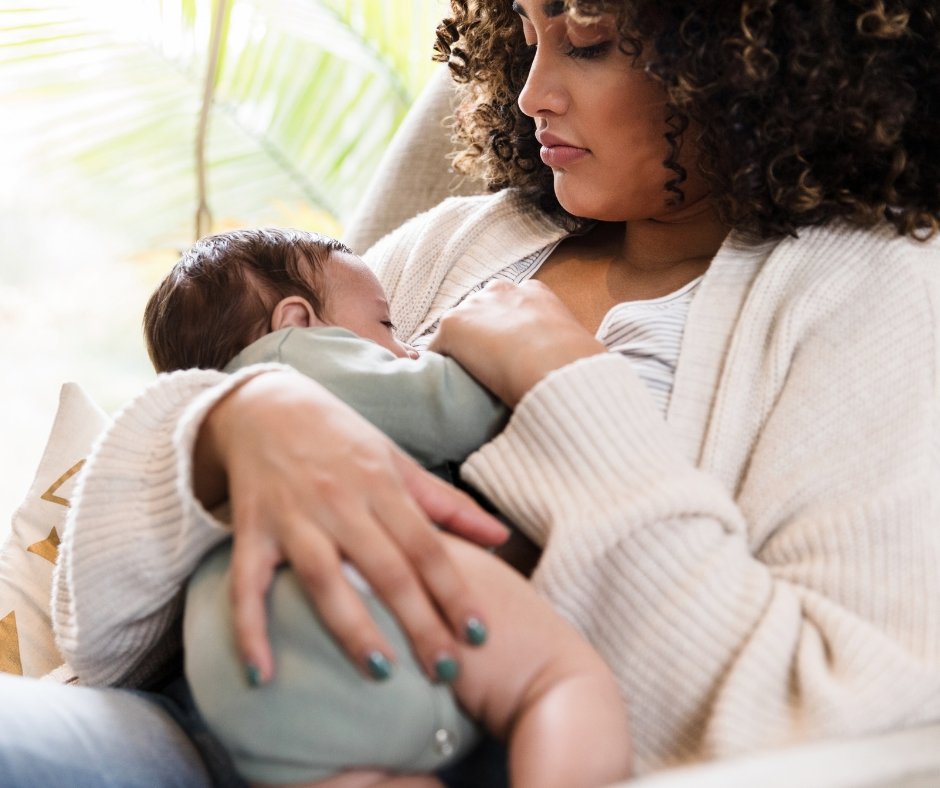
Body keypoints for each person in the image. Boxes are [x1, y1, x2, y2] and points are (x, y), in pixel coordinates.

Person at [0, 0, 935, 785]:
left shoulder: (877, 298)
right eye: (526, 35)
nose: (534, 92)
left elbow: (831, 728)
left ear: (750, 61)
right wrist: (232, 425)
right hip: (196, 734)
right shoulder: (462, 241)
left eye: (590, 40)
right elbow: (98, 637)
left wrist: (565, 391)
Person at [141, 226, 630, 787]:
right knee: (559, 679)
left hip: (239, 670)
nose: (408, 348)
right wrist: (504, 343)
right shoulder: (292, 362)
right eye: (386, 326)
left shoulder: (202, 423)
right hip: (357, 593)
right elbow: (453, 407)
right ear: (297, 321)